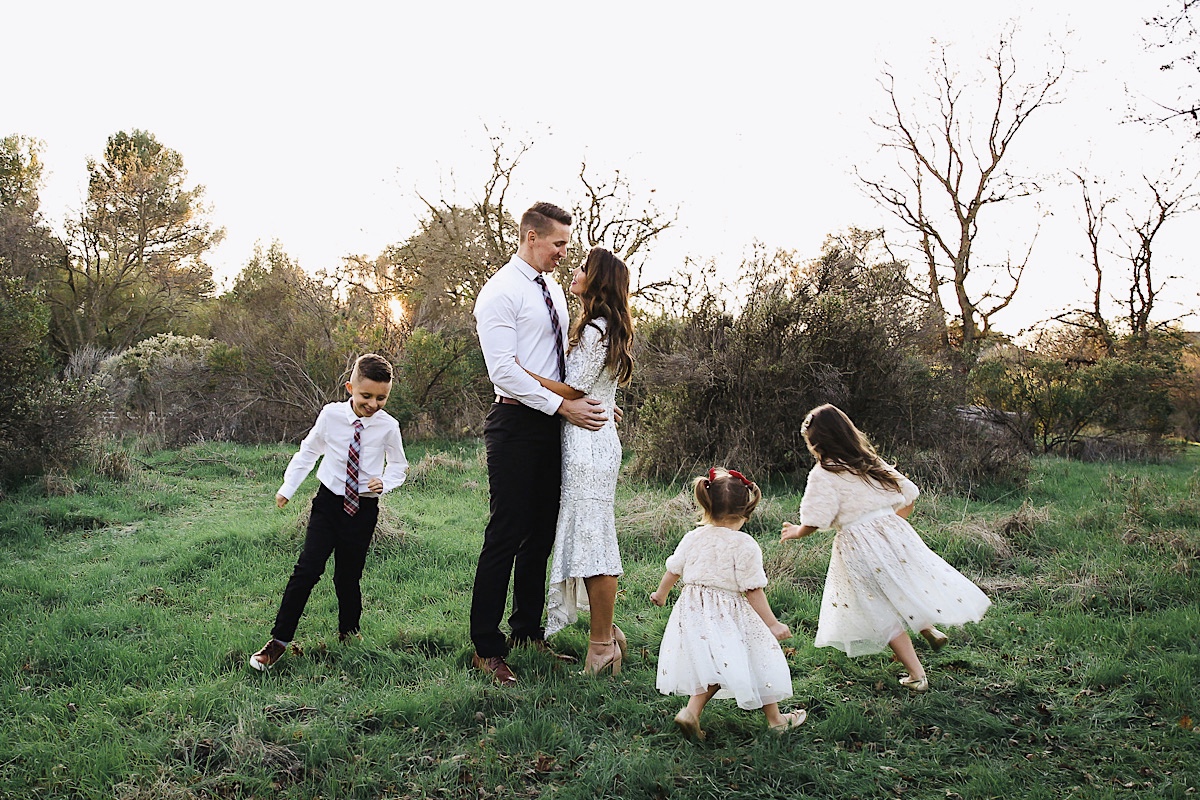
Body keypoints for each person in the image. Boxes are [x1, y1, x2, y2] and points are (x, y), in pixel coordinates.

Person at [470, 201, 608, 687]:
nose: (564, 254)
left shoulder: (551, 287)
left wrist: (570, 406)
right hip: (515, 424)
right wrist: (562, 407)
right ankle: (487, 647)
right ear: (531, 237)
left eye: (567, 245)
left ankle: (528, 633)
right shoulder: (499, 294)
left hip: (554, 425)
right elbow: (503, 370)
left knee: (542, 535)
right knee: (506, 532)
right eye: (558, 244)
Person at [780, 403, 991, 692]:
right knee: (900, 584)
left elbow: (816, 519)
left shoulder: (824, 473)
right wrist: (890, 524)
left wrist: (795, 532)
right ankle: (927, 627)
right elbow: (909, 494)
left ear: (817, 443)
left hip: (858, 544)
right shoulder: (868, 461)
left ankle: (917, 675)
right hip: (894, 533)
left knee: (877, 604)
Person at [248, 353, 409, 671]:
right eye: (366, 396)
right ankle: (278, 641)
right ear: (350, 387)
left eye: (381, 398)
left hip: (363, 509)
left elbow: (400, 466)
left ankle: (350, 633)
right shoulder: (331, 416)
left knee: (348, 577)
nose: (373, 404)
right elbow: (309, 451)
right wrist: (287, 488)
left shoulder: (389, 427)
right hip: (328, 504)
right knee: (307, 570)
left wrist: (385, 481)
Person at [522, 246, 635, 676]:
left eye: (584, 267)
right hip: (591, 438)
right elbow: (592, 390)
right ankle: (608, 632)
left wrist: (518, 372)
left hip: (588, 446)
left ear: (598, 280)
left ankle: (602, 645)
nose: (576, 270)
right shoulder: (603, 328)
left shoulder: (595, 331)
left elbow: (571, 389)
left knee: (594, 544)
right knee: (591, 539)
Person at [650, 468, 807, 740]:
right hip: (728, 613)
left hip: (692, 609)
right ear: (746, 510)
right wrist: (772, 623)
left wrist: (661, 594)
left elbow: (674, 569)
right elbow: (753, 590)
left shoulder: (693, 537)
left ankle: (694, 712)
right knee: (757, 656)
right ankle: (773, 719)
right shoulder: (745, 545)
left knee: (717, 662)